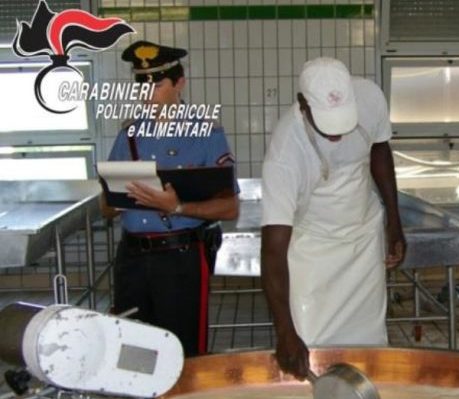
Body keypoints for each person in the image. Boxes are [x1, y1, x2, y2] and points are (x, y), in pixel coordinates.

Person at [261, 57, 405, 379]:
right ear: (302, 104)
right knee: (310, 339)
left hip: (363, 234)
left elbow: (379, 152)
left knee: (369, 342)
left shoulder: (369, 97)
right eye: (328, 125)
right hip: (314, 246)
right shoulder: (286, 152)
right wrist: (284, 332)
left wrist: (394, 221)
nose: (338, 135)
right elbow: (273, 249)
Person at [101, 41, 239, 357]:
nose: (148, 95)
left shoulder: (207, 133)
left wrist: (176, 207)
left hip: (180, 258)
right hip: (132, 260)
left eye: (158, 85)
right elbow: (106, 207)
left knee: (182, 352)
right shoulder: (129, 135)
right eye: (142, 86)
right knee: (132, 350)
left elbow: (230, 207)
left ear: (179, 83)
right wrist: (117, 196)